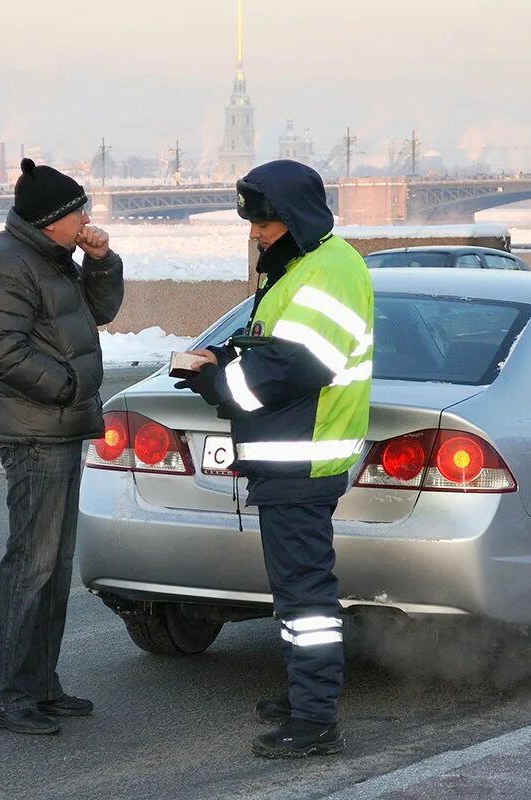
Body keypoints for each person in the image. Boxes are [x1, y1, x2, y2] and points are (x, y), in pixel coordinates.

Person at [176, 159, 373, 758]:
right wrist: (225, 357)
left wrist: (218, 384)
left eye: (263, 222)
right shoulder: (306, 267)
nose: (255, 234)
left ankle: (315, 721)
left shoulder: (329, 271)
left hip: (302, 461)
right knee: (295, 593)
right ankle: (302, 696)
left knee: (306, 596)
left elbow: (295, 368)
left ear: (293, 218)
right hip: (289, 459)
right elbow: (273, 350)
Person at [0, 158, 124, 735]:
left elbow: (100, 312)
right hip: (35, 430)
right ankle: (8, 696)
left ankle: (40, 685)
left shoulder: (52, 258)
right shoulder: (7, 265)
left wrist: (101, 262)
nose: (87, 217)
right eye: (79, 210)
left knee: (55, 567)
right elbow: (3, 351)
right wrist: (68, 387)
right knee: (29, 567)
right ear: (52, 219)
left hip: (59, 425)